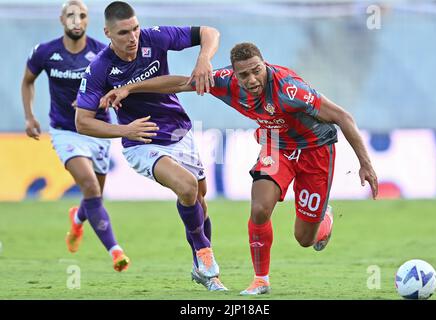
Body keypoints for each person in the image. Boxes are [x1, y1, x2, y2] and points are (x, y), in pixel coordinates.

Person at [99, 42, 379, 295]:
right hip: (276, 145)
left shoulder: (290, 90)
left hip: (315, 150)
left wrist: (365, 165)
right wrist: (130, 88)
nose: (252, 79)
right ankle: (261, 280)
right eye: (244, 75)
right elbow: (182, 83)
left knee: (305, 239)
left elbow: (343, 116)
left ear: (264, 65)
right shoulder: (224, 82)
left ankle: (322, 219)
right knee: (259, 209)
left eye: (257, 71)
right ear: (235, 74)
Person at [75, 1, 227, 291]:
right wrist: (124, 130)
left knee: (200, 200)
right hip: (141, 141)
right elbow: (82, 122)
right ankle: (204, 255)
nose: (132, 37)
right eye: (123, 33)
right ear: (107, 32)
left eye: (135, 29)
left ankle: (202, 269)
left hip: (179, 131)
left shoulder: (154, 37)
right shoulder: (99, 69)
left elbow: (210, 32)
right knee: (187, 187)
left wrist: (204, 59)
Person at [21, 0, 130, 272]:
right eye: (70, 15)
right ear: (61, 19)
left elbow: (116, 88)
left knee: (94, 198)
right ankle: (116, 251)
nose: (76, 20)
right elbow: (28, 81)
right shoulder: (45, 52)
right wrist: (29, 116)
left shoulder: (102, 52)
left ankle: (77, 218)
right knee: (91, 188)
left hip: (98, 130)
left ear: (87, 20)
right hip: (65, 131)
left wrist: (94, 102)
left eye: (81, 15)